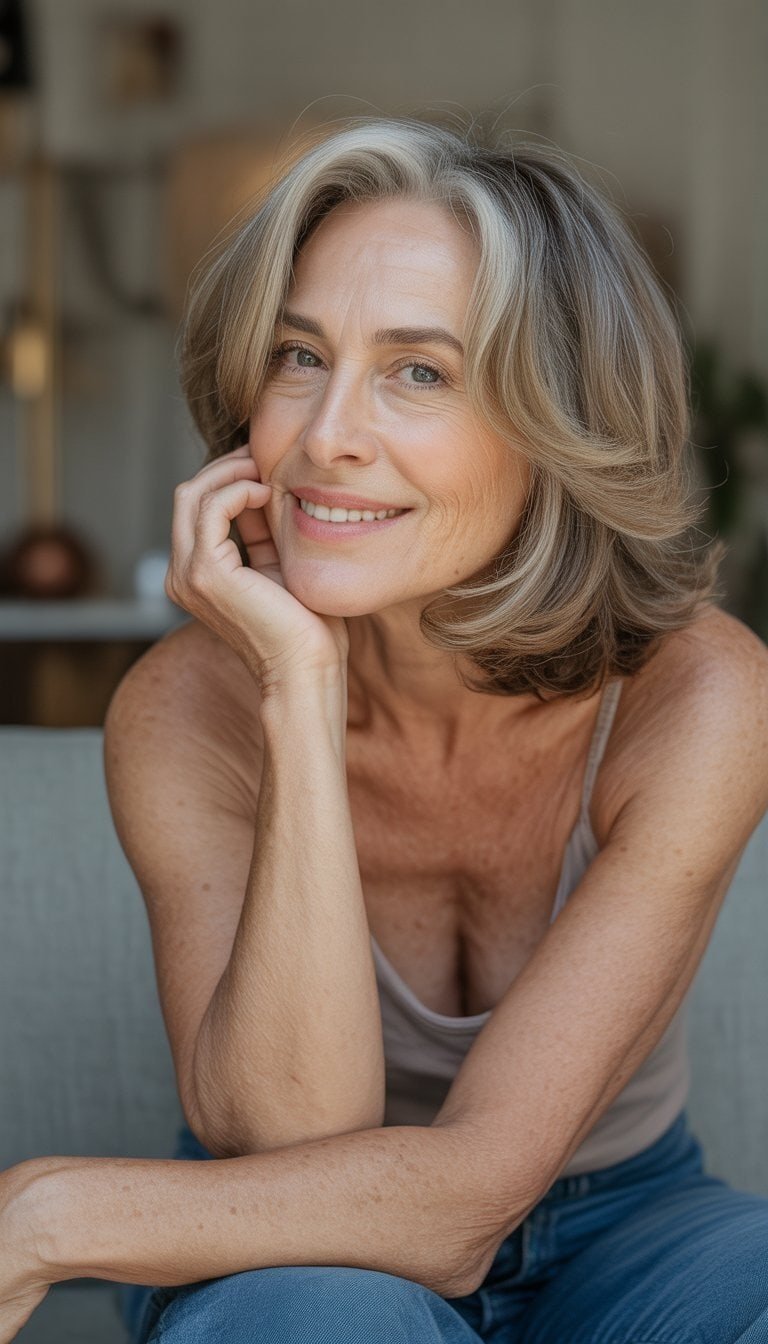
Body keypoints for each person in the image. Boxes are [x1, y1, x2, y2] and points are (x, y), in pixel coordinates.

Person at [2, 116, 767, 1344]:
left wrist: (42, 1215)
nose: (323, 435)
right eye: (299, 357)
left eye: (419, 371)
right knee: (314, 1321)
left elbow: (465, 1201)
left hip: (627, 1223)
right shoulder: (183, 711)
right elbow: (291, 1142)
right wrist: (299, 687)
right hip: (279, 1245)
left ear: (557, 426)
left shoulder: (699, 697)